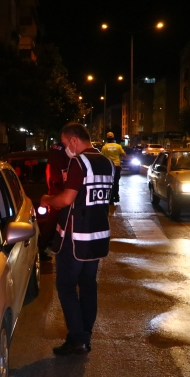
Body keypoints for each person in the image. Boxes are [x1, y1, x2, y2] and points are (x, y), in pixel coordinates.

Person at [40, 123, 114, 356]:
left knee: (66, 286)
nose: (65, 149)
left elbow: (66, 199)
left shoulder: (79, 163)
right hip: (97, 237)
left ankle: (78, 340)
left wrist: (47, 200)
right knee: (89, 285)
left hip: (75, 239)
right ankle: (84, 335)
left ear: (73, 140)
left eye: (65, 143)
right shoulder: (108, 163)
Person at [38, 141, 69, 261]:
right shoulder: (65, 150)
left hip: (54, 187)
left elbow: (48, 170)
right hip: (61, 188)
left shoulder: (54, 149)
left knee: (53, 220)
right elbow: (65, 171)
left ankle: (43, 246)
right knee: (55, 219)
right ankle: (43, 247)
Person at [101, 132, 125, 203]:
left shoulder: (104, 147)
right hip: (117, 166)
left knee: (109, 182)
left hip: (108, 167)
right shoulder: (118, 146)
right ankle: (116, 196)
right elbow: (124, 154)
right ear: (113, 138)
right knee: (116, 182)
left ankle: (110, 197)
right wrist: (120, 159)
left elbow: (102, 157)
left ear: (107, 138)